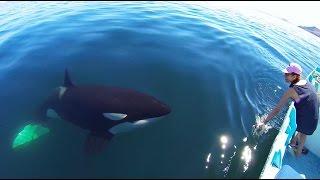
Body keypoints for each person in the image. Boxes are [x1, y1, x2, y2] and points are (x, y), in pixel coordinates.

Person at [256, 63, 319, 157]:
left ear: (294, 76)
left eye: (286, 74)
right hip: (314, 120)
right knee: (303, 132)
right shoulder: (306, 82)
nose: (284, 75)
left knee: (302, 134)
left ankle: (298, 153)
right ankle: (294, 143)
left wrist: (264, 122)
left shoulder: (292, 90)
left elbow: (277, 109)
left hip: (306, 122)